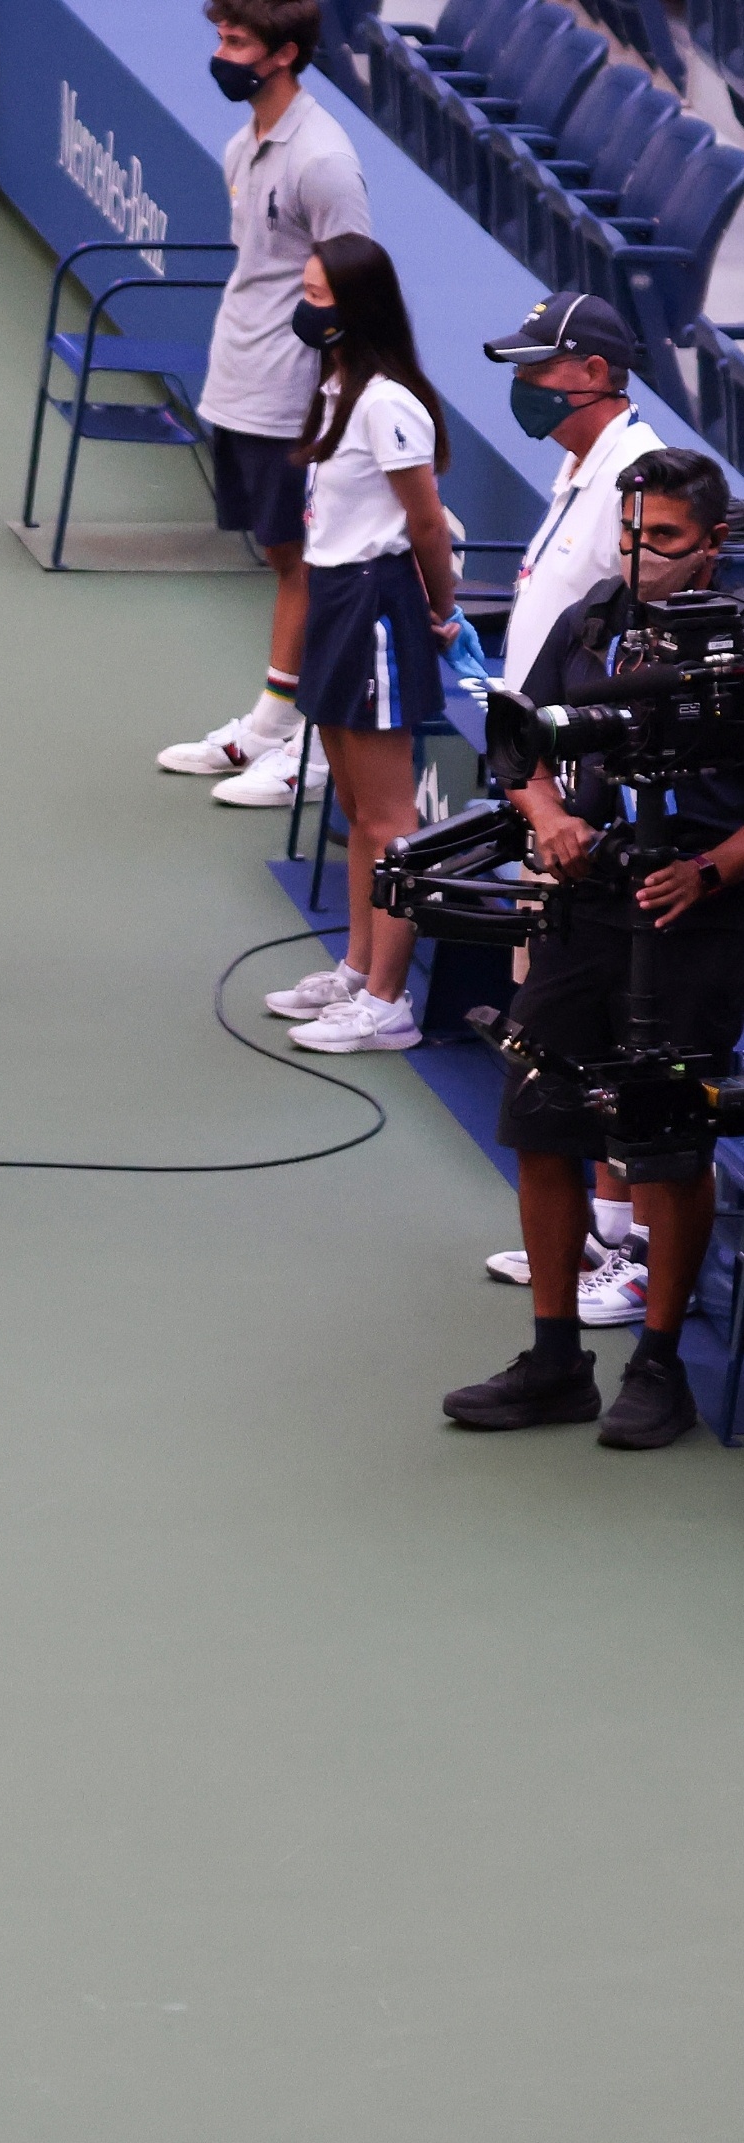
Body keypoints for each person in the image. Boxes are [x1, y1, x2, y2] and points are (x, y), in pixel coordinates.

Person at [441, 450, 744, 1450]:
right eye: (630, 532)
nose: (640, 553)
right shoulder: (590, 625)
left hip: (692, 920)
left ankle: (657, 1369)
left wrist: (711, 870)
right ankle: (556, 1356)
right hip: (583, 907)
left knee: (669, 1137)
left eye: (662, 539)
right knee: (541, 1121)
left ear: (715, 542)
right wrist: (549, 821)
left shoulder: (736, 645)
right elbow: (517, 743)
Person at [474, 291, 667, 1321]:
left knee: (606, 1028)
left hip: (596, 809)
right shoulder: (580, 471)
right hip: (548, 789)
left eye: (540, 370)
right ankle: (593, 1232)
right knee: (556, 1030)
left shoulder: (636, 483)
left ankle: (628, 1247)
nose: (526, 387)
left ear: (592, 373)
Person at [159, 0, 371, 811]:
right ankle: (272, 720)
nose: (220, 52)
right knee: (284, 560)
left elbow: (353, 280)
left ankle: (311, 742)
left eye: (235, 40)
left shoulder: (323, 162)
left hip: (292, 394)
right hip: (240, 382)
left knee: (310, 565)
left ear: (283, 53)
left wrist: (336, 397)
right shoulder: (240, 145)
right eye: (218, 36)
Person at [259, 236, 457, 1054]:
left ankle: (387, 1004)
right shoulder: (337, 385)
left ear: (358, 306)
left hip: (377, 604)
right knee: (350, 810)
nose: (306, 308)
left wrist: (439, 612)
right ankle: (355, 967)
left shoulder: (387, 402)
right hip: (336, 599)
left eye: (320, 295)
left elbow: (424, 524)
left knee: (388, 817)